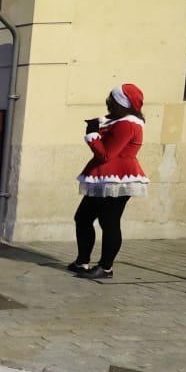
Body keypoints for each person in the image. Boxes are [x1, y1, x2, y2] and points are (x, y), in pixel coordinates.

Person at [69, 84, 149, 280]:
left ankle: (105, 268)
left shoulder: (128, 124)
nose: (108, 103)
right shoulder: (119, 121)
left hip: (119, 179)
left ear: (121, 103)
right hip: (103, 178)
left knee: (109, 222)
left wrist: (92, 134)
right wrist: (99, 126)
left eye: (111, 100)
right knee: (83, 218)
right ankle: (82, 261)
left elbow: (106, 154)